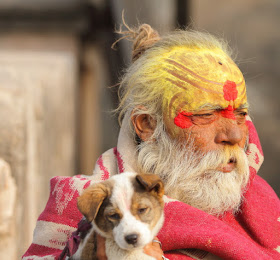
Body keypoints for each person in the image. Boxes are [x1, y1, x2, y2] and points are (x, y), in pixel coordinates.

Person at [23, 24, 280, 260]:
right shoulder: (85, 210)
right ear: (147, 125)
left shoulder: (261, 204)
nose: (234, 135)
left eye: (240, 115)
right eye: (205, 114)